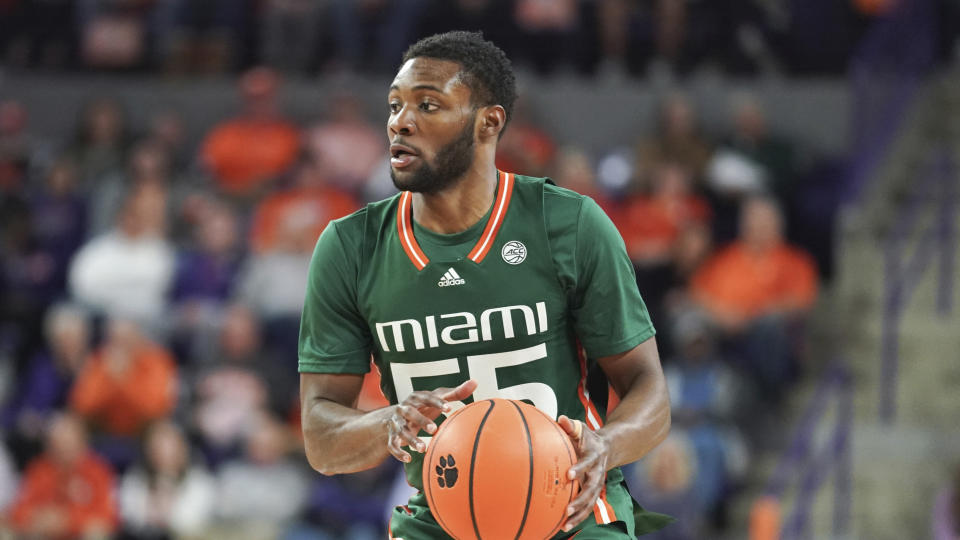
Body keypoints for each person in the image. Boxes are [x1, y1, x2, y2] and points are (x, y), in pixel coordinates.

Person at [299, 31, 672, 538]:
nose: (400, 122)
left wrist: (608, 444)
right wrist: (385, 423)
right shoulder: (350, 247)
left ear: (488, 122)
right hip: (445, 512)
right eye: (394, 105)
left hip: (569, 509)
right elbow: (321, 439)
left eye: (427, 105)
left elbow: (649, 392)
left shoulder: (567, 224)